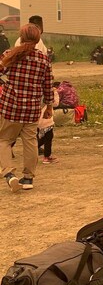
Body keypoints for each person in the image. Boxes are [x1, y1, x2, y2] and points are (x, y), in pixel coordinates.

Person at [0, 24, 54, 192]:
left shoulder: (10, 55)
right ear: (38, 39)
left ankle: (9, 174)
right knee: (30, 142)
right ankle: (28, 178)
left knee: (4, 140)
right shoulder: (43, 59)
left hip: (11, 105)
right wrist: (49, 106)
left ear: (21, 37)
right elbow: (48, 84)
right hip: (32, 107)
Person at [37, 84, 60, 164]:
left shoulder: (36, 90)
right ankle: (47, 156)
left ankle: (33, 151)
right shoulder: (51, 92)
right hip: (46, 117)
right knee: (48, 137)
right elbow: (56, 104)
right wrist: (56, 93)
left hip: (35, 116)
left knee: (37, 136)